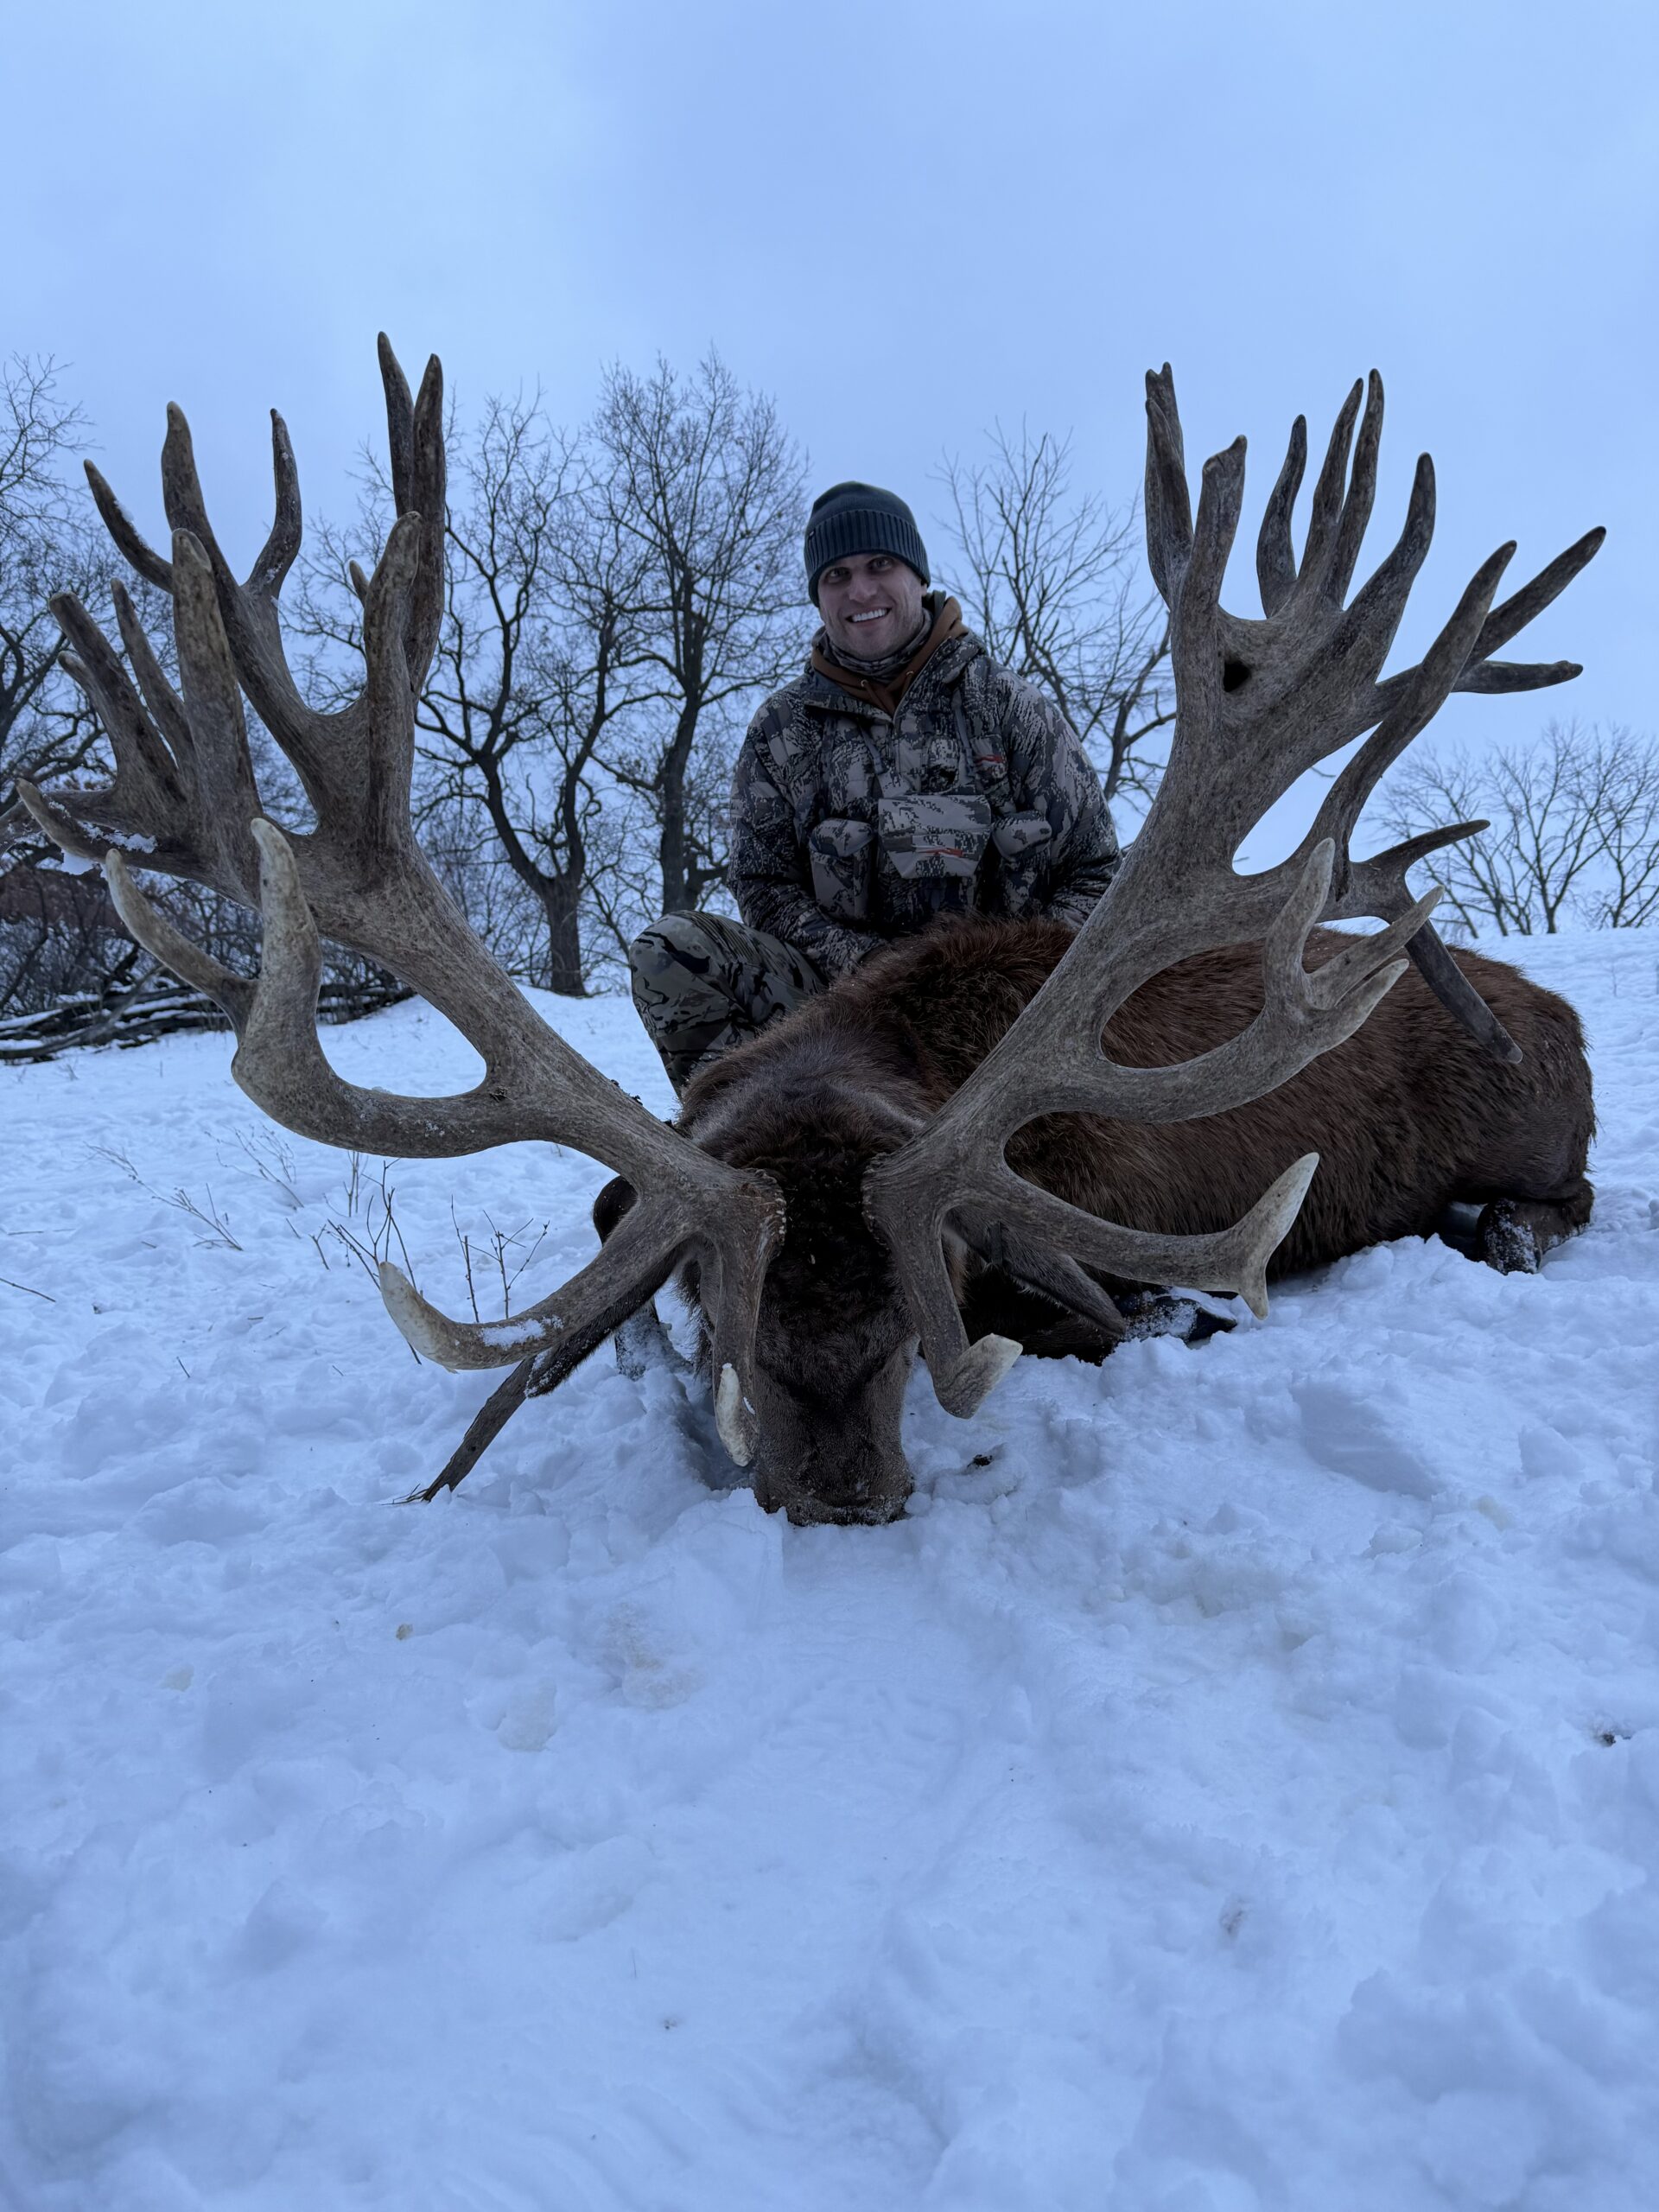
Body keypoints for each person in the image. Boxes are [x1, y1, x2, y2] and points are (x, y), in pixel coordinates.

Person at [628, 481, 1122, 1092]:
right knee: (670, 953)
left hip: (1007, 1016)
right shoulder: (781, 730)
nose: (860, 591)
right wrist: (871, 970)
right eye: (836, 575)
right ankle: (742, 1132)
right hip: (840, 1010)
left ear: (917, 575)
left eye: (879, 565)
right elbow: (764, 887)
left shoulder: (1011, 708)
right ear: (818, 597)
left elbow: (1096, 872)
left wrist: (1007, 975)